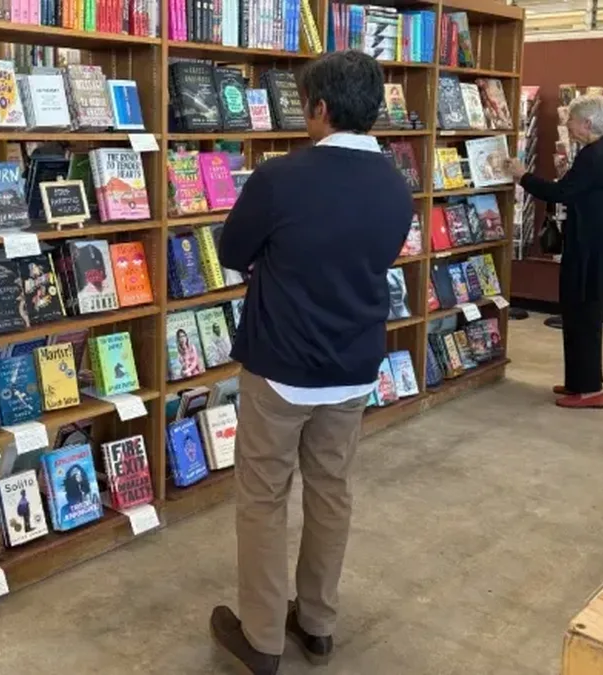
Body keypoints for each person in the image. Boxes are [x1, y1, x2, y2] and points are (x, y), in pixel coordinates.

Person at [211, 51, 412, 675]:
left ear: (320, 108)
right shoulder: (396, 183)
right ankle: (318, 623)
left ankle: (263, 636)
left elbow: (231, 250)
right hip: (353, 363)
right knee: (332, 492)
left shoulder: (281, 178)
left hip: (280, 363)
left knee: (263, 498)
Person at [507, 94, 603, 410]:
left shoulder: (595, 155)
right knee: (579, 313)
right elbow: (582, 189)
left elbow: (561, 193)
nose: (568, 126)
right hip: (599, 244)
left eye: (571, 121)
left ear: (587, 123)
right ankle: (580, 381)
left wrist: (523, 176)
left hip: (590, 248)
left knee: (582, 316)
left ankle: (589, 390)